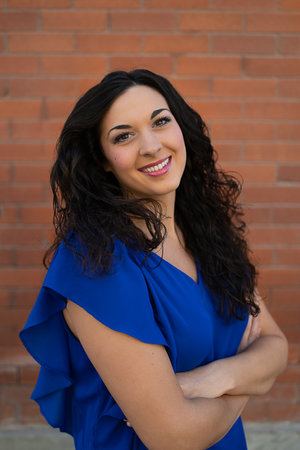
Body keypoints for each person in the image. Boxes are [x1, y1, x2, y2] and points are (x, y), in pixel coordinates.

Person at [19, 69, 288, 450]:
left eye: (160, 121)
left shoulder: (204, 235)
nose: (151, 146)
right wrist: (247, 383)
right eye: (124, 136)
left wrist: (213, 378)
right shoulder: (96, 263)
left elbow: (275, 346)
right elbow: (173, 436)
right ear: (103, 162)